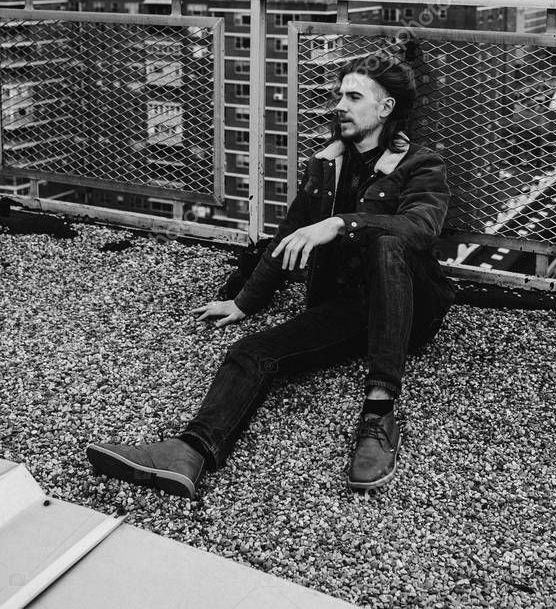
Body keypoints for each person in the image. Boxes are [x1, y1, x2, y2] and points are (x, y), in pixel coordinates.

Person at [86, 57, 454, 498]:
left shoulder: (420, 164)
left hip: (409, 309)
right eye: (339, 95)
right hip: (350, 308)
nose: (340, 105)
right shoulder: (328, 164)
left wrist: (341, 224)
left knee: (387, 241)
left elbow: (421, 227)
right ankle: (190, 451)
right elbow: (288, 236)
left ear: (385, 107)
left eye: (353, 97)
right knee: (251, 353)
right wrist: (244, 301)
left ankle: (379, 413)